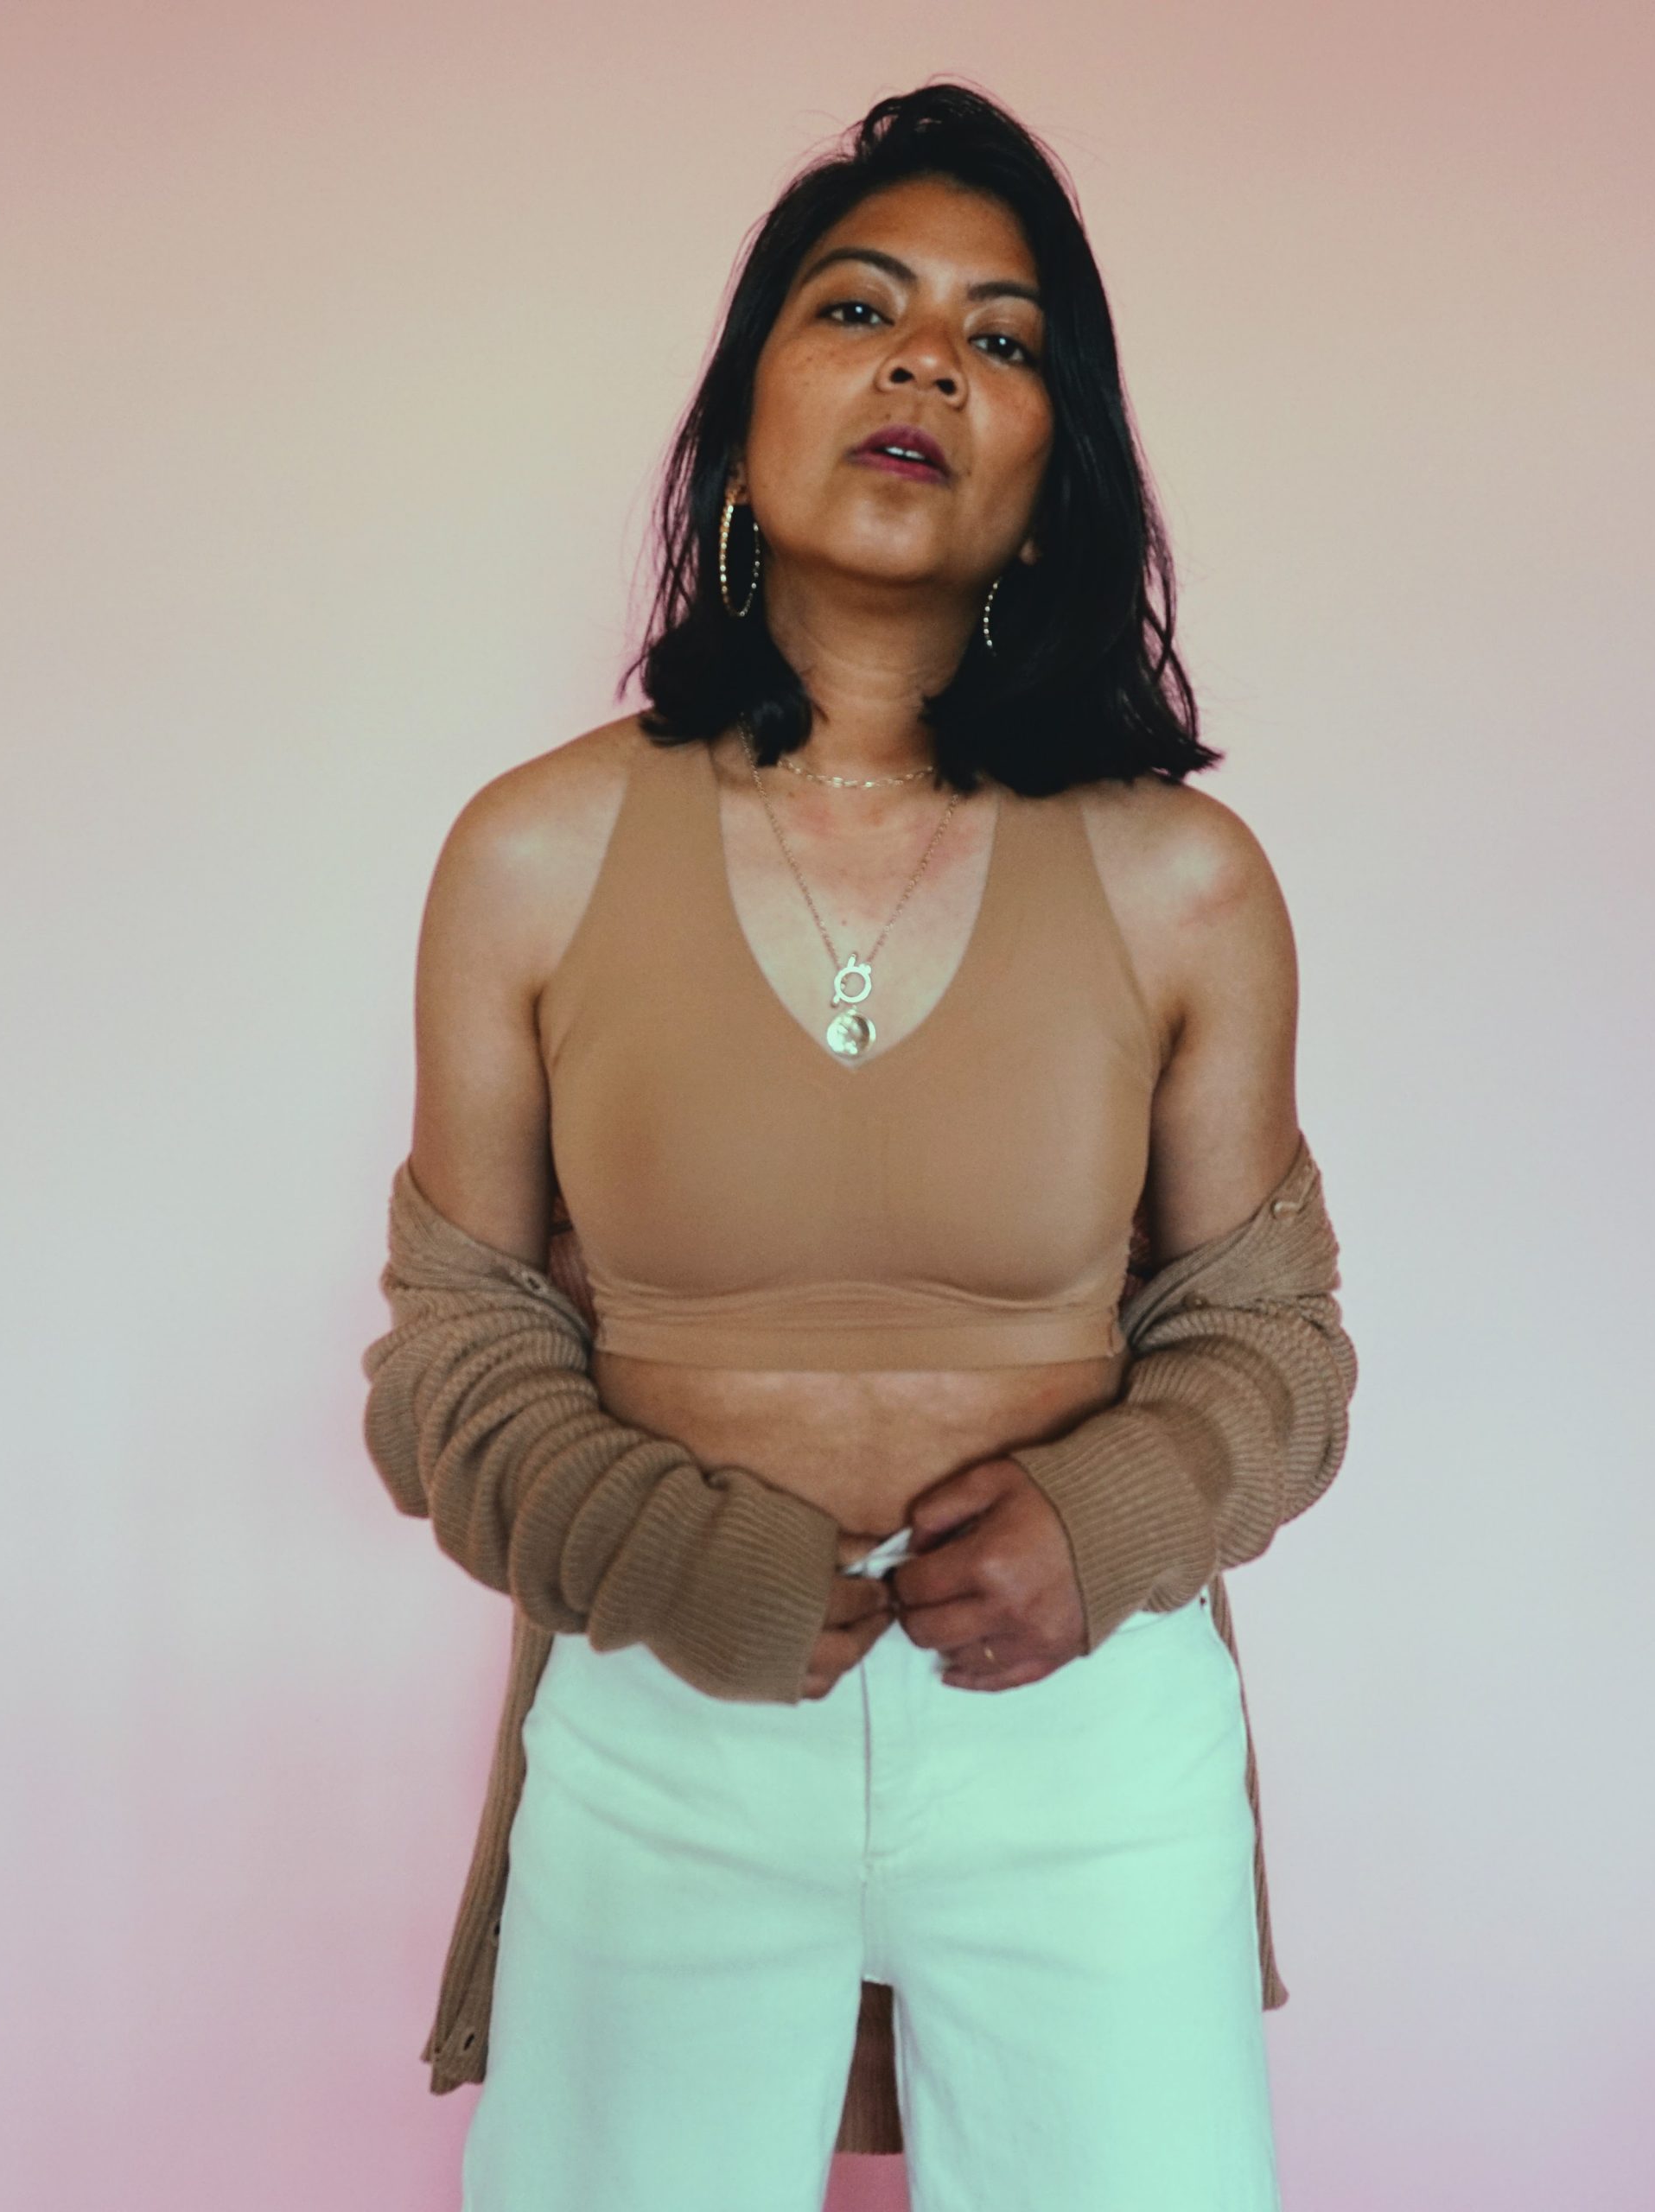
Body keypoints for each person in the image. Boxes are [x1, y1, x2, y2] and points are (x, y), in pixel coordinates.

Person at [379, 81, 1348, 2212]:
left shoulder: (1186, 882)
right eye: (857, 308)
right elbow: (449, 1358)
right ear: (742, 424)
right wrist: (668, 1553)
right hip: (662, 1725)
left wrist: (1106, 1512)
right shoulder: (529, 853)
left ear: (1050, 481)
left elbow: (1273, 1348)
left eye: (1001, 339)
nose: (926, 362)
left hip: (1086, 1747)